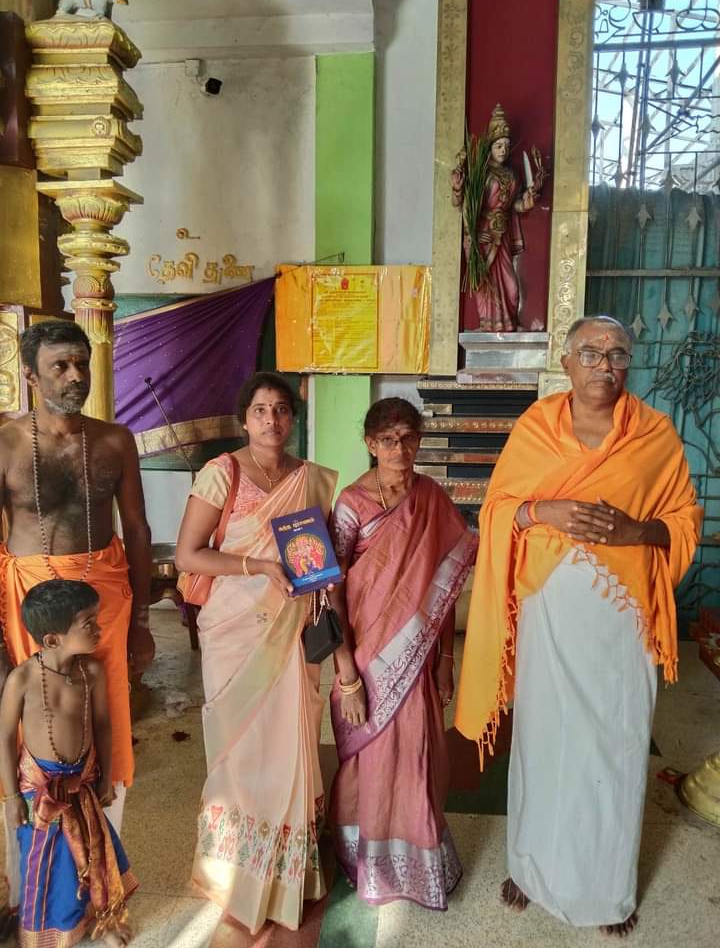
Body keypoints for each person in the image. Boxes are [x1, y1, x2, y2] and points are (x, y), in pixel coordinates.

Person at [455, 316, 702, 936]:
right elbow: (498, 511)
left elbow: (684, 520)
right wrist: (546, 509)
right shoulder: (536, 427)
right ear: (565, 363)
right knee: (543, 739)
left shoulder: (655, 434)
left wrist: (637, 530)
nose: (604, 365)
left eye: (617, 354)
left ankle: (606, 893)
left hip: (621, 621)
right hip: (549, 614)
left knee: (615, 747)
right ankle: (529, 868)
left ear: (628, 365)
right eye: (591, 353)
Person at [175, 371, 353, 934]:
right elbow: (188, 555)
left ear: (292, 418)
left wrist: (321, 576)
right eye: (260, 410)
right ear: (244, 419)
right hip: (235, 629)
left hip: (293, 626)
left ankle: (288, 873)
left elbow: (316, 555)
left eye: (280, 409)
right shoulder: (221, 474)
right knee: (241, 748)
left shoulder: (312, 479)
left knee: (290, 744)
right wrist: (258, 565)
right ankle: (236, 873)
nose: (271, 419)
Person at [0, 319, 153, 931]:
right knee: (32, 733)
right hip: (29, 601)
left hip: (103, 600)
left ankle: (102, 887)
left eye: (81, 363)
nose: (75, 376)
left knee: (105, 726)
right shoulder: (5, 443)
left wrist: (142, 620)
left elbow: (136, 528)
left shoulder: (115, 440)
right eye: (60, 366)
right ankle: (36, 890)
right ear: (30, 376)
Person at [328, 397, 477, 909]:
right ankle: (364, 856)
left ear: (419, 441)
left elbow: (444, 587)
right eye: (387, 439)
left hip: (418, 656)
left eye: (408, 438)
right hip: (365, 656)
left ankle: (418, 856)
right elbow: (331, 592)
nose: (399, 448)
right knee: (368, 757)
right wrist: (348, 676)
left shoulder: (431, 497)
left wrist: (446, 661)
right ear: (370, 444)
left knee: (417, 754)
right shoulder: (351, 504)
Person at [0, 579, 138, 947]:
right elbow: (4, 737)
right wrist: (11, 798)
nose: (99, 629)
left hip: (83, 783)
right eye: (89, 623)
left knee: (95, 853)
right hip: (39, 792)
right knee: (49, 865)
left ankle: (104, 921)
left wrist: (105, 778)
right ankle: (46, 932)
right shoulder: (22, 679)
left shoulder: (91, 672)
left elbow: (104, 724)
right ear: (51, 639)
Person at [451, 104, 536, 332]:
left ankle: (508, 324)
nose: (503, 150)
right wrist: (458, 188)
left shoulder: (512, 175)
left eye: (506, 146)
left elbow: (514, 205)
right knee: (485, 283)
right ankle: (488, 325)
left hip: (503, 235)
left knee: (511, 287)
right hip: (484, 236)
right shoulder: (481, 174)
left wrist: (526, 203)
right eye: (499, 146)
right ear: (489, 147)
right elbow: (463, 205)